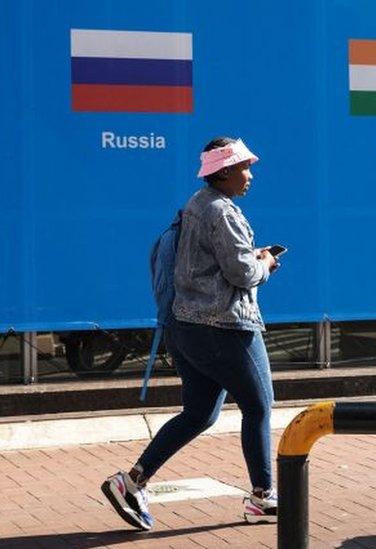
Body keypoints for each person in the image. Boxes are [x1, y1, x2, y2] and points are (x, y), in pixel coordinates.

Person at [101, 137, 280, 530]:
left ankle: (130, 483)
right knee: (259, 405)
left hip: (186, 327)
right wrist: (264, 263)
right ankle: (263, 497)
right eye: (244, 168)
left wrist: (251, 259)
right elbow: (241, 273)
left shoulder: (195, 205)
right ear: (225, 171)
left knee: (198, 413)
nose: (250, 176)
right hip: (226, 327)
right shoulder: (222, 212)